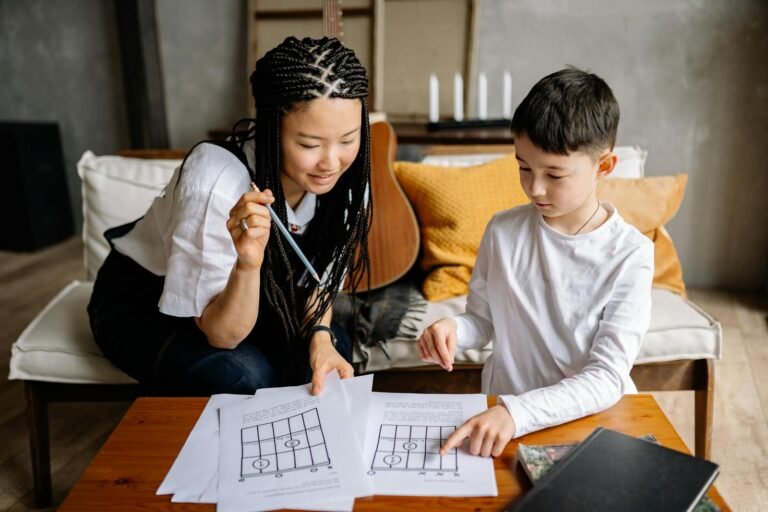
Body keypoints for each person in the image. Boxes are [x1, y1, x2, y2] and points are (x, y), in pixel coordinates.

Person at [88, 36, 372, 396]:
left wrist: (320, 335)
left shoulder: (348, 180)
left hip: (262, 302)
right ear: (272, 128)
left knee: (328, 358)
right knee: (243, 376)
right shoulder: (217, 182)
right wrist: (248, 265)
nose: (332, 162)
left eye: (348, 140)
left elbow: (322, 282)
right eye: (309, 145)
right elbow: (223, 334)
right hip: (148, 306)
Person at [417, 67, 654, 457]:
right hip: (503, 419)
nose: (534, 187)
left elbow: (607, 376)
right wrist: (452, 329)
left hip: (584, 422)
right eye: (524, 167)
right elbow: (484, 322)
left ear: (604, 167)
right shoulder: (503, 231)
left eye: (555, 174)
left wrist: (517, 412)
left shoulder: (630, 254)